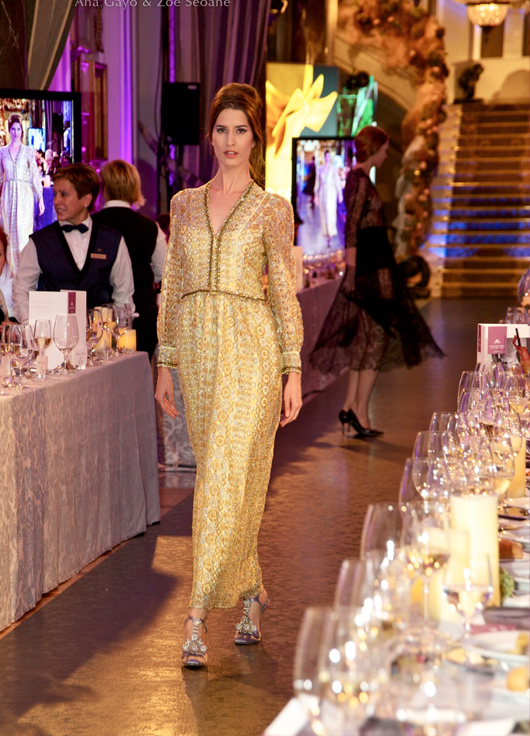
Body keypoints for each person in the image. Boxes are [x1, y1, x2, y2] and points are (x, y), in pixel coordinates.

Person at [155, 83, 303, 669]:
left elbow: (283, 294)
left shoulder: (272, 209)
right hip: (197, 352)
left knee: (223, 478)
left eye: (241, 130)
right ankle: (253, 593)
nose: (230, 140)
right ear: (210, 136)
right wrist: (165, 360)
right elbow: (172, 285)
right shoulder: (183, 204)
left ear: (255, 137)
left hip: (252, 351)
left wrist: (292, 368)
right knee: (228, 480)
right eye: (222, 129)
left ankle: (195, 614)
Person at [310, 125, 443, 436]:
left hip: (373, 265)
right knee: (377, 338)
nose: (386, 156)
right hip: (370, 268)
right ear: (374, 149)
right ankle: (358, 410)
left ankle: (351, 407)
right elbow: (352, 228)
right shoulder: (358, 181)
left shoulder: (360, 179)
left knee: (366, 338)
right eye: (383, 150)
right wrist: (351, 271)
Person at [12, 163, 134, 324]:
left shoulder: (112, 240)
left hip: (99, 336)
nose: (56, 201)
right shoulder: (39, 241)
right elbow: (21, 289)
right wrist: (30, 324)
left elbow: (124, 298)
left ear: (86, 199)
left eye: (64, 194)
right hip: (51, 336)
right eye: (55, 194)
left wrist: (118, 331)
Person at [95, 159, 167, 358]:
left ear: (104, 187)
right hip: (142, 315)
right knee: (138, 371)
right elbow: (165, 271)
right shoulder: (150, 227)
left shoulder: (92, 225)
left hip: (99, 317)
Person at [0, 113, 45, 274]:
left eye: (19, 129)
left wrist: (40, 198)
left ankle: (24, 271)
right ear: (9, 129)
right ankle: (10, 271)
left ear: (22, 130)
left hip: (24, 195)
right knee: (8, 232)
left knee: (22, 232)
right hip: (8, 195)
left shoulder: (28, 151)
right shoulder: (2, 152)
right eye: (13, 129)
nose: (16, 132)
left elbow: (34, 176)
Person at [315, 150, 343, 245]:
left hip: (331, 192)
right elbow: (317, 182)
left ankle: (330, 234)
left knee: (330, 212)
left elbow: (337, 181)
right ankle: (326, 234)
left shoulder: (333, 168)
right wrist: (316, 195)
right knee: (324, 213)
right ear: (324, 157)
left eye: (329, 156)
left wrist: (339, 194)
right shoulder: (320, 169)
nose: (328, 158)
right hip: (323, 192)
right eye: (326, 156)